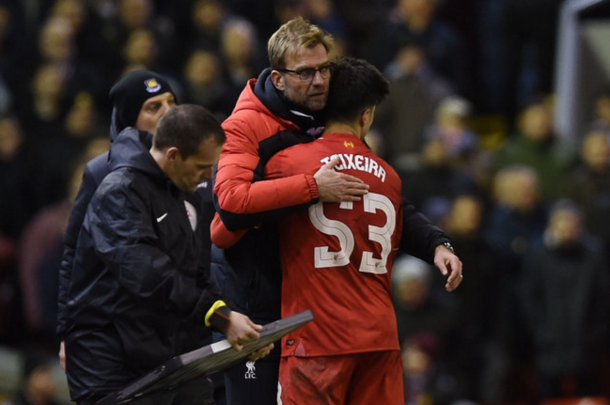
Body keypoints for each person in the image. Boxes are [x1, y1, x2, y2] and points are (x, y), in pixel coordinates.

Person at [263, 56, 462, 404]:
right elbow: (405, 215)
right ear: (366, 115)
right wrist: (437, 244)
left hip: (316, 339)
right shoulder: (389, 176)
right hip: (378, 340)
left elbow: (236, 212)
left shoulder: (288, 163)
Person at [63, 104, 270, 404]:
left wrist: (236, 321)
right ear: (173, 155)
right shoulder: (119, 192)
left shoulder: (186, 195)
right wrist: (220, 318)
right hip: (110, 360)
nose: (208, 175)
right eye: (201, 167)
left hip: (164, 353)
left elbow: (196, 275)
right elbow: (148, 274)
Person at [209, 17, 369, 405]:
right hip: (250, 304)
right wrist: (314, 187)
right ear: (278, 79)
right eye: (305, 73)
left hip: (305, 301)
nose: (319, 81)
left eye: (324, 69)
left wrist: (434, 242)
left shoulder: (325, 116)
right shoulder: (246, 124)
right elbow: (229, 205)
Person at [56, 69, 177, 370]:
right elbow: (74, 254)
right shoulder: (102, 173)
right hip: (116, 335)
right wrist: (67, 332)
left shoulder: (197, 170)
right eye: (154, 107)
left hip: (181, 327)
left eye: (172, 102)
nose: (168, 112)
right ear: (128, 120)